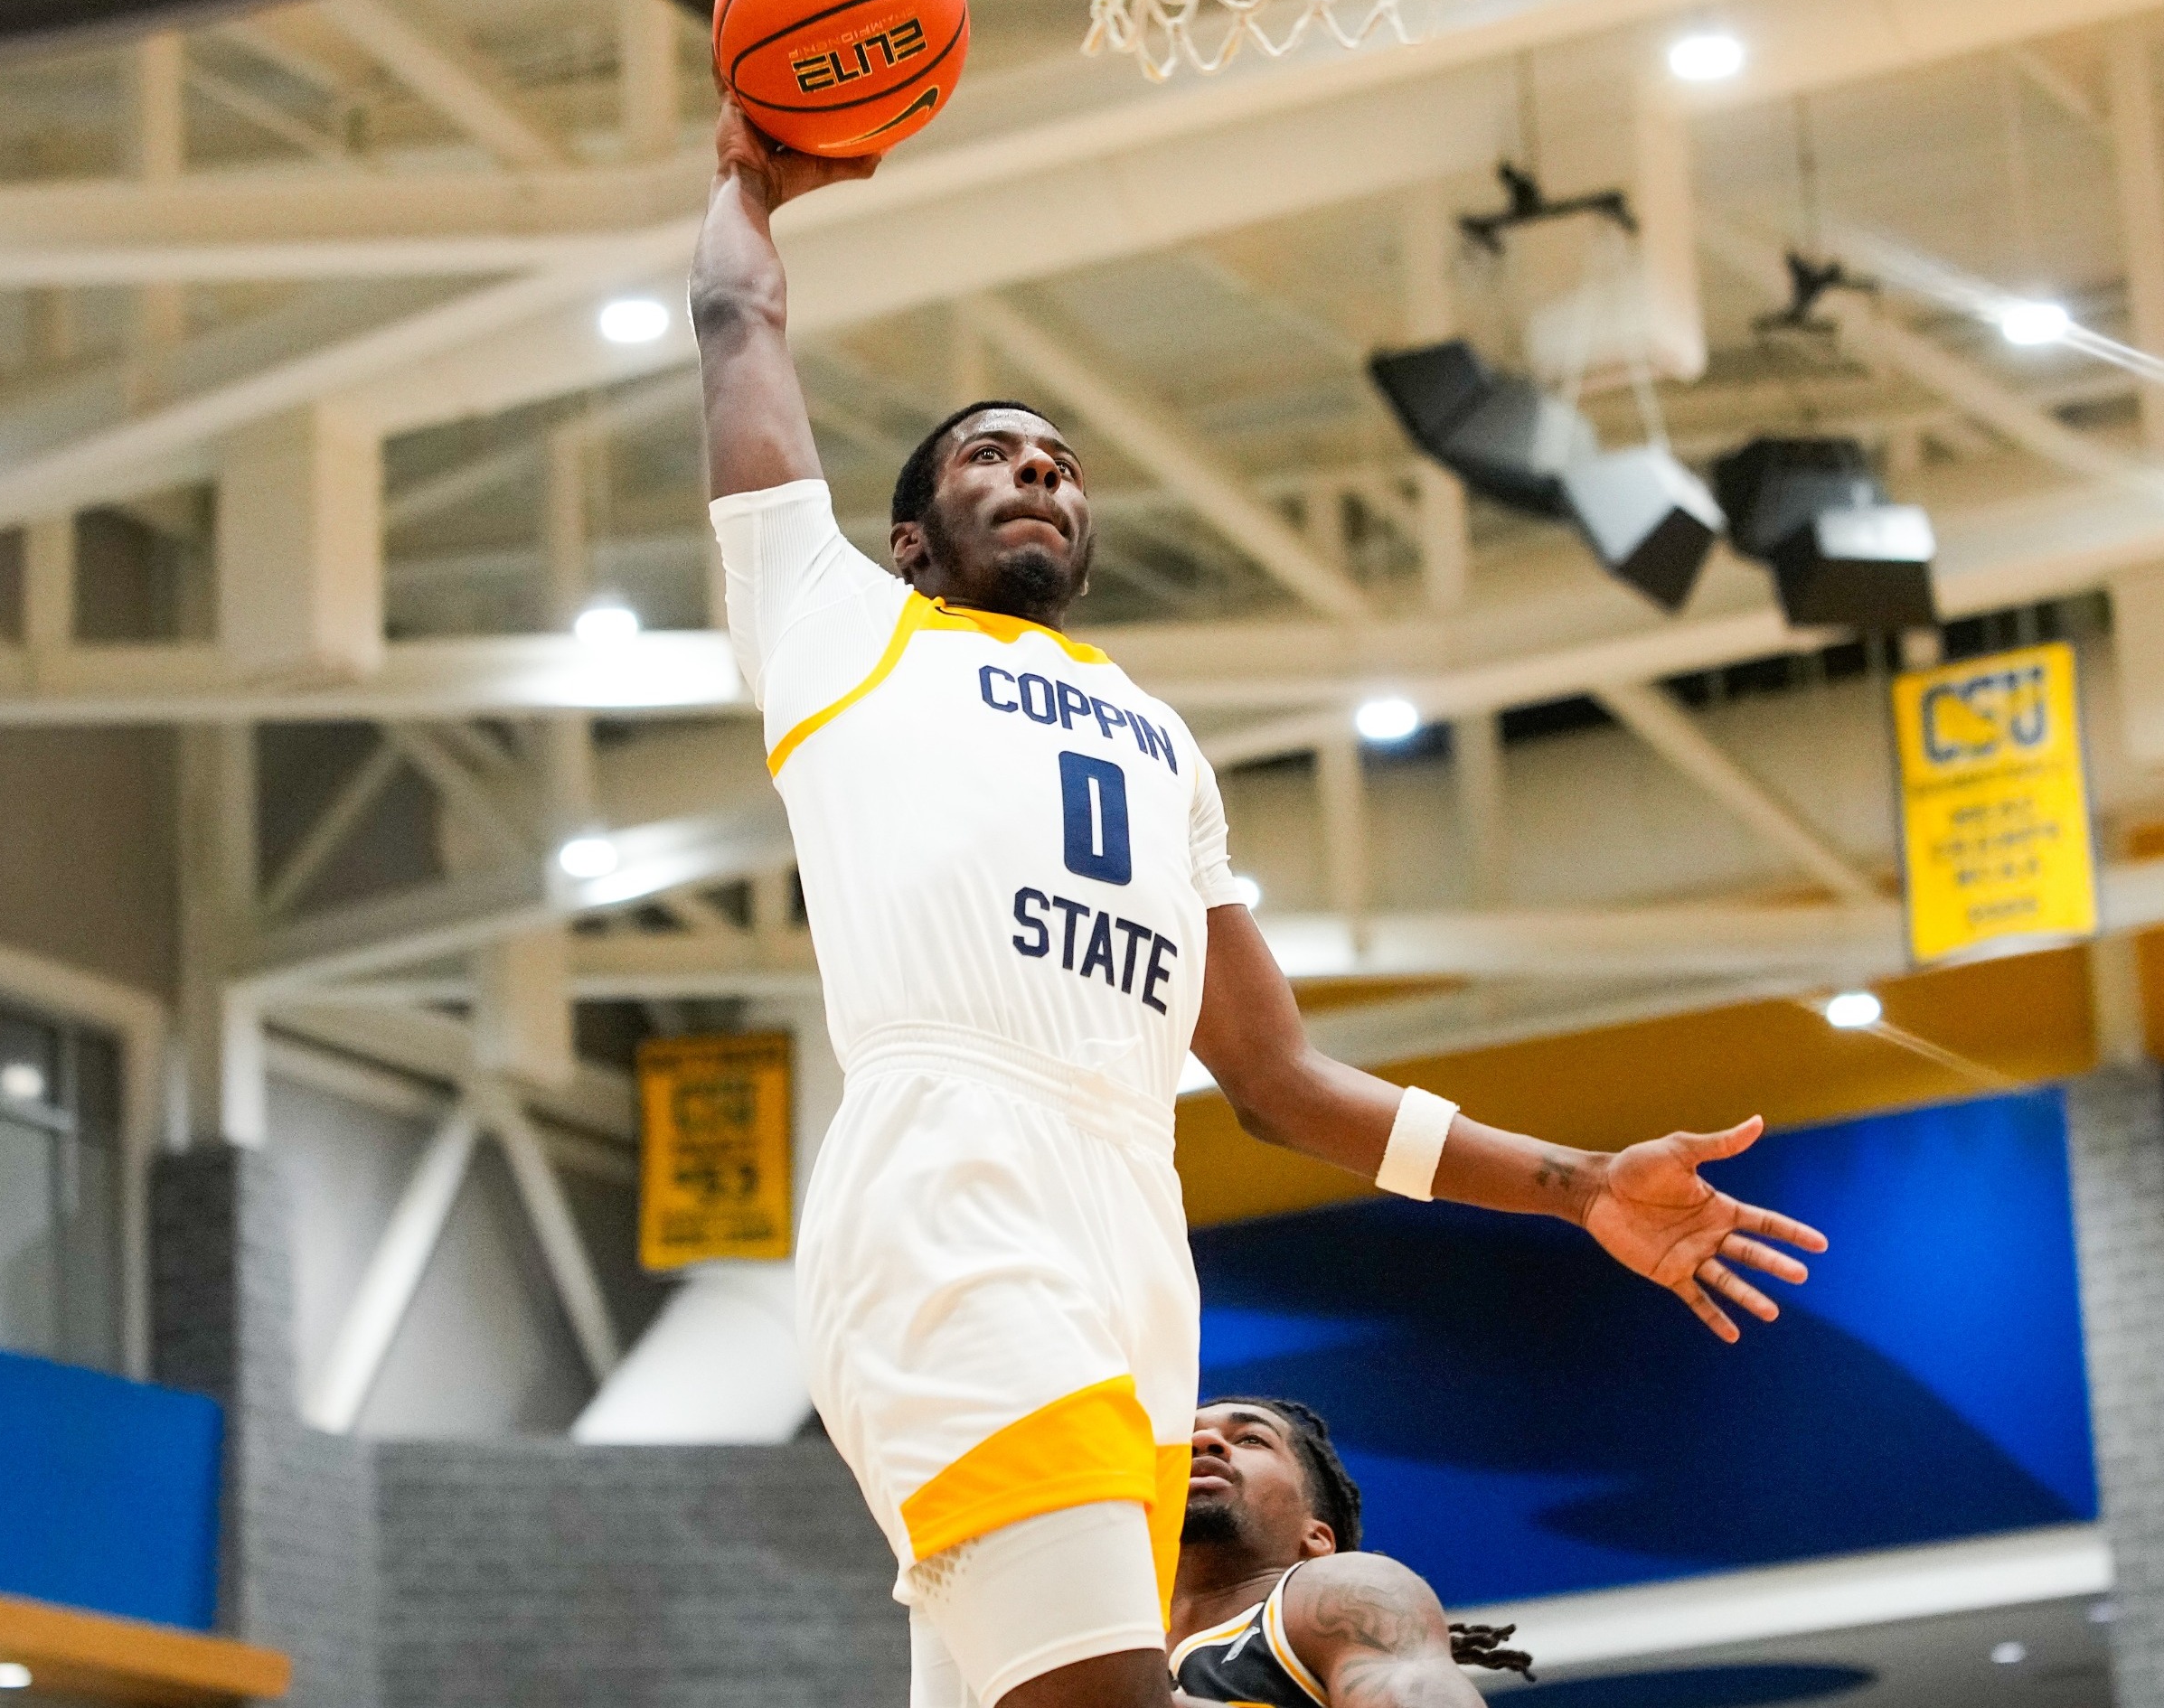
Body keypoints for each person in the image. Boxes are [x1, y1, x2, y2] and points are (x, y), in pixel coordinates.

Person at [692, 101, 1829, 1708]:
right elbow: (739, 330)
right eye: (992, 455)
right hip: (955, 1187)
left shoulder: (1162, 743)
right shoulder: (836, 629)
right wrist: (748, 186)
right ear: (909, 534)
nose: (1037, 472)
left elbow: (1282, 1085)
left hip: (1131, 1231)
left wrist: (1573, 1184)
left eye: (1064, 464)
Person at [1169, 1396, 1529, 1708]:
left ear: (1317, 1537)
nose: (1202, 1440)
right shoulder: (1121, 1634)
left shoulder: (1348, 1590)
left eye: (1252, 1439)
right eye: (1180, 1440)